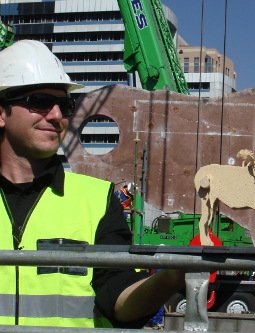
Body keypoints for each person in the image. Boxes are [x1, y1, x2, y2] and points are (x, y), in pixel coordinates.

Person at [0, 40, 184, 328]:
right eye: (39, 102)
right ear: (2, 113)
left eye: (64, 104)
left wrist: (173, 276)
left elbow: (119, 294)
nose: (58, 115)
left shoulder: (97, 199)